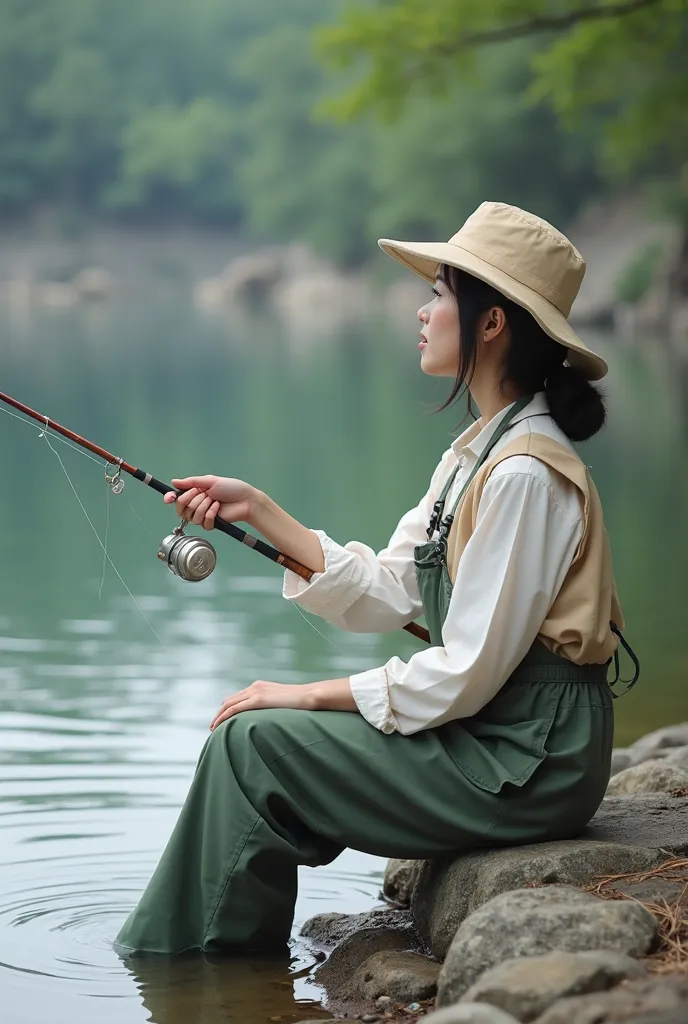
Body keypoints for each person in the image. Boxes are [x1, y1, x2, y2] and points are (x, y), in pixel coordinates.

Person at [115, 201, 638, 956]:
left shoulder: (525, 473)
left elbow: (463, 673)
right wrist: (258, 508)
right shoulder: (475, 456)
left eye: (439, 294)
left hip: (531, 763)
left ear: (492, 325)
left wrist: (305, 693)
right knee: (252, 738)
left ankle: (185, 970)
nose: (421, 312)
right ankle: (211, 965)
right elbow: (383, 592)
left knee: (255, 743)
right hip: (500, 738)